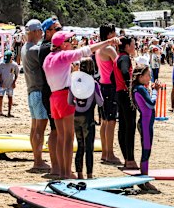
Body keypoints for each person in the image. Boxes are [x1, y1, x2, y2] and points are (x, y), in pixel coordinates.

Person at [42, 30, 119, 179]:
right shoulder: (63, 56)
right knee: (68, 138)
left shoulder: (48, 58)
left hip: (54, 97)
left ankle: (61, 171)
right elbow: (86, 51)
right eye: (70, 41)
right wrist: (107, 42)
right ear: (64, 45)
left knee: (60, 137)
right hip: (65, 96)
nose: (72, 43)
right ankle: (66, 173)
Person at [21, 19, 50, 172]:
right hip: (39, 91)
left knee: (35, 128)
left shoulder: (25, 48)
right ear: (35, 31)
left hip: (31, 90)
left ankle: (36, 158)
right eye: (40, 31)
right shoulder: (34, 50)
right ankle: (38, 161)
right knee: (40, 128)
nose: (41, 34)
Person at [68, 58, 103, 179]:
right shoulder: (94, 84)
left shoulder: (74, 83)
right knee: (89, 147)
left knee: (80, 146)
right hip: (88, 118)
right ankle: (89, 174)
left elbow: (69, 101)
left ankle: (79, 173)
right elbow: (100, 102)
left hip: (76, 117)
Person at [131, 65, 161, 193]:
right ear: (140, 77)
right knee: (146, 150)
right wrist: (155, 91)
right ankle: (144, 180)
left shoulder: (137, 88)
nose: (150, 78)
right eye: (148, 75)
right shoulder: (140, 89)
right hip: (145, 122)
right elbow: (151, 103)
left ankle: (144, 178)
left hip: (144, 121)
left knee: (146, 150)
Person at [95, 24, 122, 165]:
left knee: (104, 121)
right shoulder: (109, 49)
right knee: (111, 121)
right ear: (109, 34)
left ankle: (105, 152)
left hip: (102, 85)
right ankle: (109, 153)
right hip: (110, 87)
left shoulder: (98, 47)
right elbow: (119, 64)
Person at [39, 16, 62, 172]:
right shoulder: (47, 47)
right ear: (48, 32)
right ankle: (55, 166)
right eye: (58, 29)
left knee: (58, 129)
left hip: (52, 91)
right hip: (50, 92)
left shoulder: (48, 46)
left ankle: (57, 165)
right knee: (55, 130)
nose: (61, 32)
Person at [114, 36, 138, 169]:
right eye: (133, 44)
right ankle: (130, 159)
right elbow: (124, 72)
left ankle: (127, 158)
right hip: (125, 94)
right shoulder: (125, 58)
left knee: (123, 126)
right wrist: (131, 87)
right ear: (127, 46)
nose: (134, 47)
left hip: (119, 93)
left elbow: (113, 76)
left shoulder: (118, 57)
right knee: (129, 127)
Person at [0, 50, 19, 117]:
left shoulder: (14, 65)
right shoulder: (1, 64)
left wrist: (14, 82)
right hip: (2, 84)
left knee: (10, 97)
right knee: (0, 97)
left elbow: (16, 74)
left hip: (10, 84)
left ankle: (9, 112)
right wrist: (1, 82)